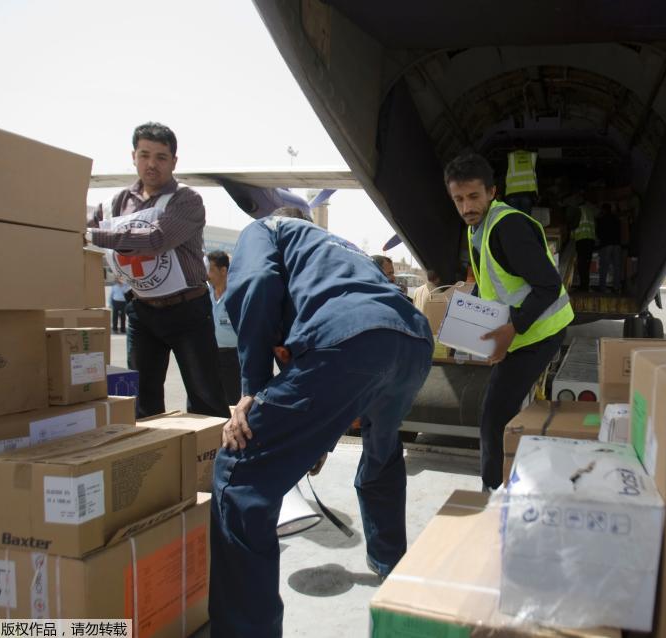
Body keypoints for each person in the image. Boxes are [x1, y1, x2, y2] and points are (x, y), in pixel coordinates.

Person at [210, 207, 433, 637]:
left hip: (350, 338)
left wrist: (252, 389)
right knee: (382, 452)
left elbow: (254, 283)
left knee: (239, 474)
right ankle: (391, 565)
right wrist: (317, 437)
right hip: (413, 341)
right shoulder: (340, 249)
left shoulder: (266, 228)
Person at [444, 153, 574, 490]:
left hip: (539, 332)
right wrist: (469, 326)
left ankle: (493, 492)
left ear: (492, 192)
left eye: (474, 196)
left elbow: (549, 286)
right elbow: (491, 284)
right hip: (521, 331)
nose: (466, 207)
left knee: (494, 416)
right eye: (458, 199)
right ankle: (508, 480)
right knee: (500, 410)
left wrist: (511, 329)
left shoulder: (508, 228)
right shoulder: (478, 228)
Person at [85, 122, 228, 419]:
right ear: (133, 157)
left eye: (161, 157)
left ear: (174, 161)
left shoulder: (187, 200)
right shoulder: (117, 203)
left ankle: (210, 450)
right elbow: (87, 231)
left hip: (188, 311)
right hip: (142, 311)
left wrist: (92, 235)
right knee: (142, 404)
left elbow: (156, 240)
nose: (152, 164)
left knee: (206, 399)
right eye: (144, 155)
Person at [206, 250, 241, 406]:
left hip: (231, 357)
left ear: (223, 270)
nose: (207, 274)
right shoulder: (205, 292)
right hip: (209, 354)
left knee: (230, 402)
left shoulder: (236, 295)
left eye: (211, 269)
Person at [596, 203, 623, 293]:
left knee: (604, 266)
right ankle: (616, 287)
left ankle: (602, 288)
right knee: (617, 267)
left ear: (603, 210)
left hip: (606, 244)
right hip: (617, 244)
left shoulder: (602, 219)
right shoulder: (616, 219)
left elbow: (599, 233)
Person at [572, 197, 598, 292]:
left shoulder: (577, 210)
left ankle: (583, 286)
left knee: (581, 264)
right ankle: (585, 286)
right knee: (586, 264)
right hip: (590, 240)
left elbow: (574, 225)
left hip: (581, 239)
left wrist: (571, 237)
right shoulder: (590, 211)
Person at [504, 141, 537, 213]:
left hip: (511, 194)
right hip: (527, 194)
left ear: (514, 147)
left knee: (514, 218)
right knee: (525, 218)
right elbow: (537, 176)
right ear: (525, 146)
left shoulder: (510, 157)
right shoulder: (531, 156)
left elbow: (503, 175)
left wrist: (500, 193)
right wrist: (536, 194)